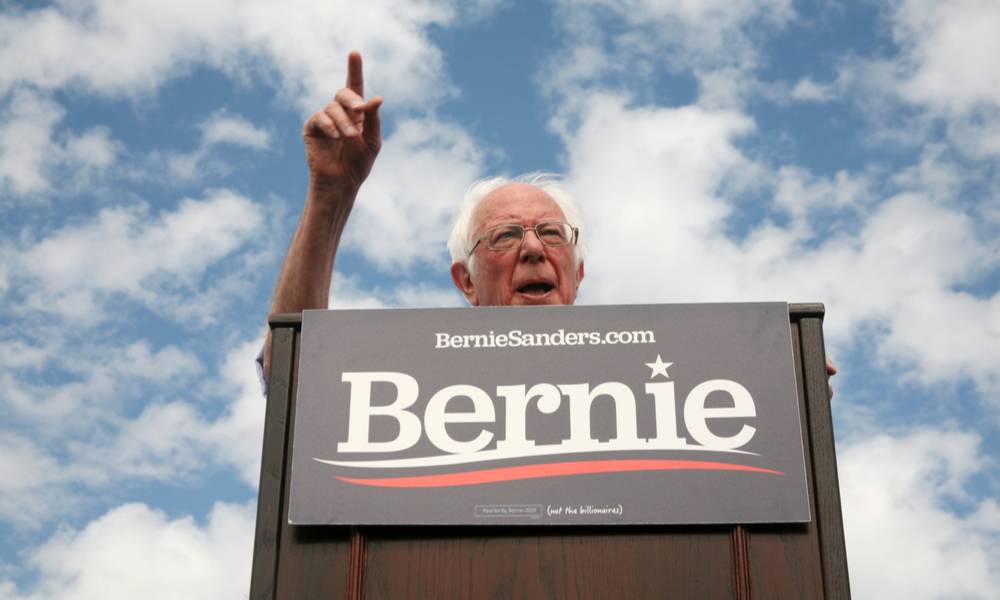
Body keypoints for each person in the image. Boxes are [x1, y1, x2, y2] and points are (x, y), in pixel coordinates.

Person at [261, 51, 836, 392]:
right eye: (506, 236)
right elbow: (290, 374)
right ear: (465, 281)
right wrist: (330, 195)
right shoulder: (408, 384)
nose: (533, 248)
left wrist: (791, 409)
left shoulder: (654, 389)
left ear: (577, 271)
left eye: (551, 233)